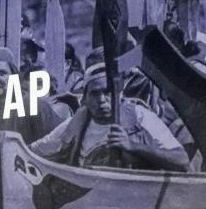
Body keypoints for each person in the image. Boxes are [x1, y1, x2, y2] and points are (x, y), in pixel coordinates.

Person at [31, 60, 189, 171]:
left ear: (118, 94)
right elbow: (34, 152)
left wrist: (133, 146)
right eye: (94, 94)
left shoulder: (140, 116)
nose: (101, 100)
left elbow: (181, 160)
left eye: (107, 92)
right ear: (84, 98)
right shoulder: (75, 124)